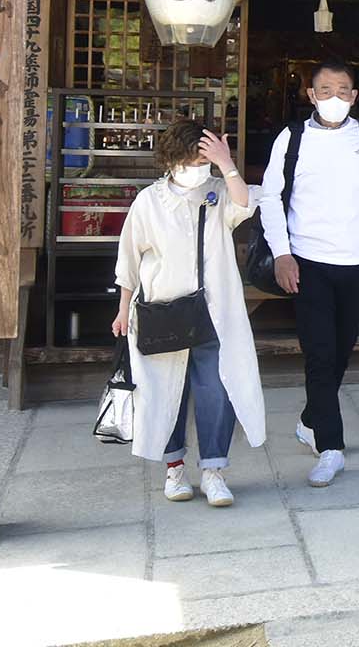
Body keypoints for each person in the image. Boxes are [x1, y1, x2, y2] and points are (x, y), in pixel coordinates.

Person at [258, 61, 359, 488]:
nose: (334, 97)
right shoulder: (293, 137)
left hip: (357, 261)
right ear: (310, 94)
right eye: (325, 89)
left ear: (354, 97)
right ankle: (331, 447)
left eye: (343, 90)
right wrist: (283, 254)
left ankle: (309, 419)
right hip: (309, 261)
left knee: (340, 351)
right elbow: (270, 197)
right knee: (319, 354)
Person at [111, 121, 263, 507]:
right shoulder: (149, 200)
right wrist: (122, 308)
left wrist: (227, 165)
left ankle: (214, 471)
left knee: (217, 389)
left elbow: (246, 204)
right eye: (193, 157)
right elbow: (129, 256)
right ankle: (174, 468)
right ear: (173, 158)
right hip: (161, 309)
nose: (199, 165)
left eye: (204, 158)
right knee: (165, 391)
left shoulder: (219, 194)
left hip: (214, 310)